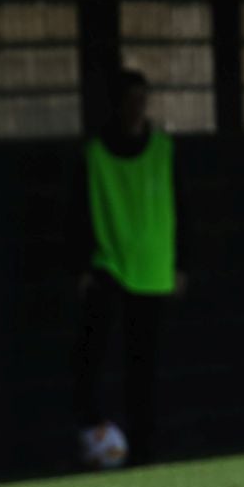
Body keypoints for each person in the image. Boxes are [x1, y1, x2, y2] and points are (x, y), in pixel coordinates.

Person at [71, 68, 183, 466]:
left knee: (144, 365)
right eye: (131, 100)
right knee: (94, 359)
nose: (138, 108)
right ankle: (94, 435)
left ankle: (144, 448)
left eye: (142, 100)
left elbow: (182, 206)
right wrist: (81, 264)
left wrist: (181, 263)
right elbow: (77, 209)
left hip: (153, 269)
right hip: (110, 266)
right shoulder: (95, 153)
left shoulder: (163, 149)